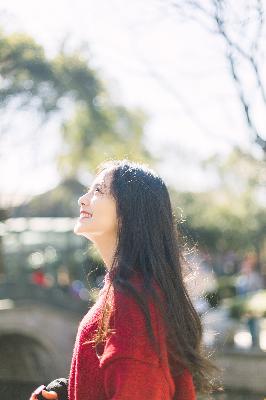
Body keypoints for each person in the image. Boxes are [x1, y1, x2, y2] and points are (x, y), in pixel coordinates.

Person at [30, 159, 218, 400]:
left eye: (98, 190)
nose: (83, 199)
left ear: (128, 213)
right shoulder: (129, 290)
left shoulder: (132, 304)